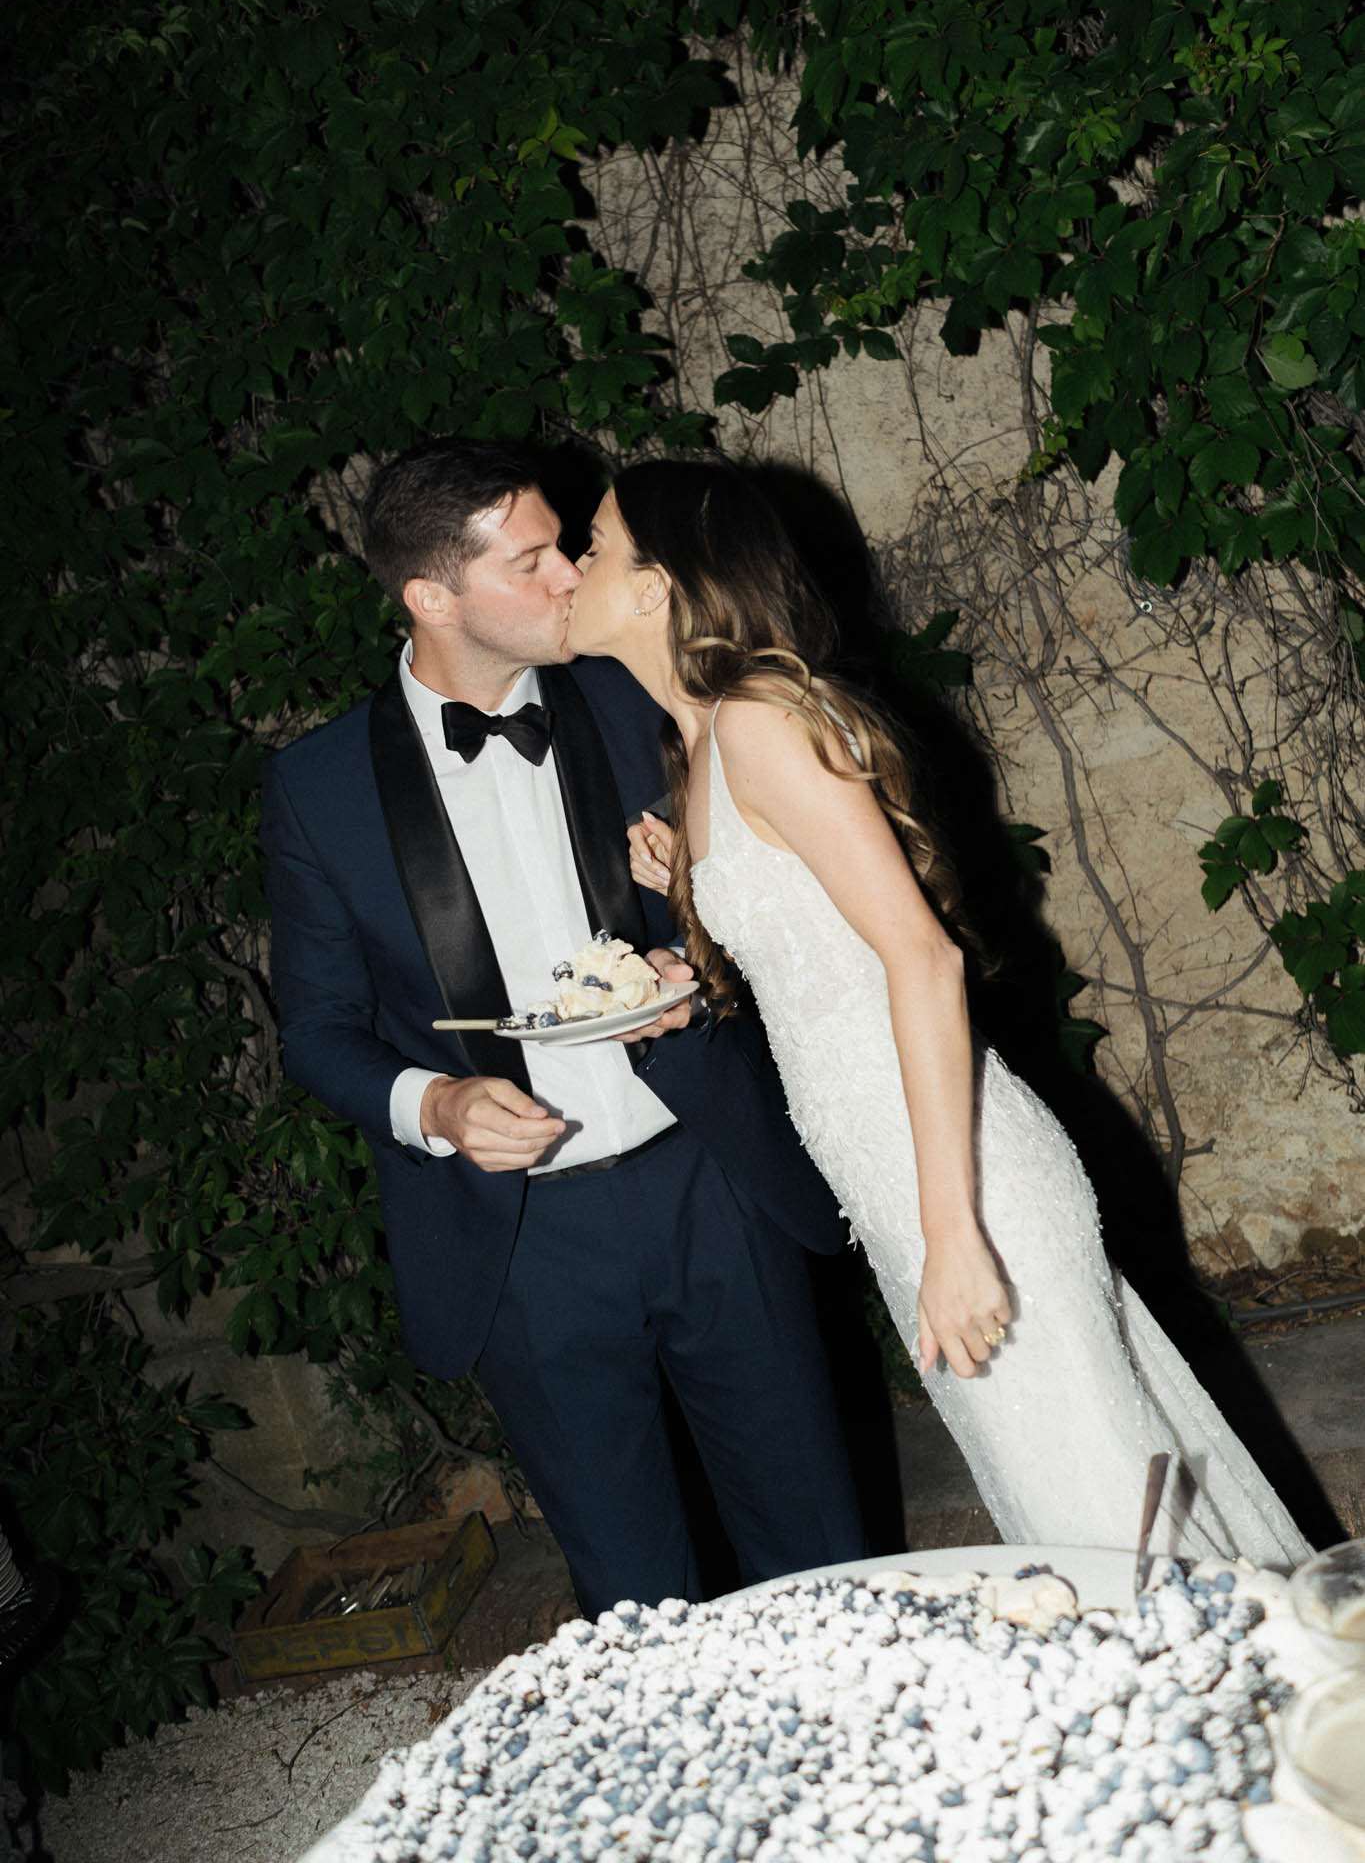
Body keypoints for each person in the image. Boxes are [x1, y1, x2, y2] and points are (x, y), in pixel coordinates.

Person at [567, 457, 1314, 1567]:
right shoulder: (706, 749)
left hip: (967, 1186)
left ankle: (1263, 1719)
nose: (574, 566)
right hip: (906, 1193)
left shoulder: (763, 722)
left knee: (1113, 1537)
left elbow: (921, 957)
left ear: (654, 586)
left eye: (593, 543)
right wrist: (693, 889)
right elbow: (815, 951)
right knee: (1095, 1522)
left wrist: (957, 1236)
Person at [260, 440, 867, 1618]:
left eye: (566, 550)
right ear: (432, 597)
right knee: (636, 1597)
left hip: (712, 1175)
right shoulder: (317, 786)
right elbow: (318, 1028)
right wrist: (431, 1105)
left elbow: (790, 892)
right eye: (533, 561)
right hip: (522, 1242)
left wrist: (706, 956)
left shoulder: (641, 687)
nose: (567, 582)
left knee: (821, 1546)